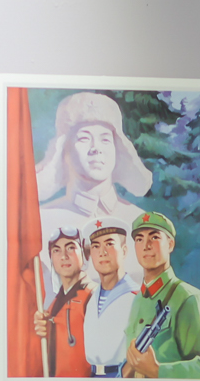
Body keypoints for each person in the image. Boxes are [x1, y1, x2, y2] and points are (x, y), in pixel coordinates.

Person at [36, 91, 151, 286]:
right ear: (64, 149)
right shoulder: (41, 222)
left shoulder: (139, 222)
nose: (96, 148)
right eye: (83, 138)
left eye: (105, 139)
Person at [122, 212, 200, 380]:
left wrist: (157, 371)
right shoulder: (138, 299)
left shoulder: (189, 298)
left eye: (154, 237)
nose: (146, 246)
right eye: (139, 239)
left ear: (170, 244)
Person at [80, 222, 139, 377]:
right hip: (94, 377)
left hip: (123, 378)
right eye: (96, 246)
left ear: (124, 251)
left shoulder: (137, 297)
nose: (102, 252)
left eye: (109, 244)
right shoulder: (92, 299)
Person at [31, 227, 91, 377]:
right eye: (56, 250)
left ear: (84, 252)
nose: (64, 256)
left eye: (70, 248)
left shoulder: (94, 296)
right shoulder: (54, 304)